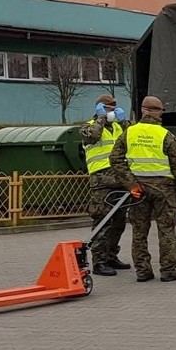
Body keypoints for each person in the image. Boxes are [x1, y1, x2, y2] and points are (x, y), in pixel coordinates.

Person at [109, 95, 176, 282]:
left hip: (139, 190)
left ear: (142, 111)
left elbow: (115, 159)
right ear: (159, 113)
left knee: (139, 231)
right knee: (167, 230)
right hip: (164, 190)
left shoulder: (128, 133)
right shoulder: (165, 135)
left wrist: (130, 184)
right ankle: (168, 270)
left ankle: (143, 271)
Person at [79, 93, 131, 277]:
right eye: (108, 108)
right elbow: (93, 136)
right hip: (101, 181)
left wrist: (124, 121)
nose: (111, 111)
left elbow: (132, 137)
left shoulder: (118, 127)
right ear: (99, 109)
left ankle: (111, 256)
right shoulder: (88, 126)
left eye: (113, 108)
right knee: (102, 221)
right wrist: (101, 118)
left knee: (118, 222)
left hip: (119, 179)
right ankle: (99, 261)